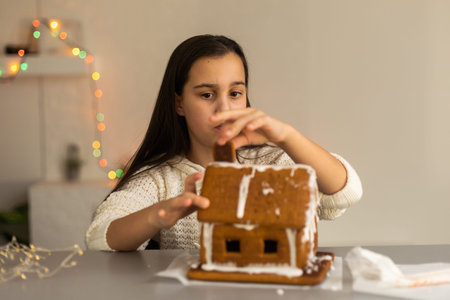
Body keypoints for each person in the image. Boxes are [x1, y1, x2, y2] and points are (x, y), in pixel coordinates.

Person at [86, 34, 363, 251]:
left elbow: (346, 192)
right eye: (207, 95)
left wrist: (284, 136)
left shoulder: (275, 162)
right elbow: (99, 237)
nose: (225, 109)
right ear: (179, 103)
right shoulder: (161, 181)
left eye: (235, 93)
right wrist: (164, 212)